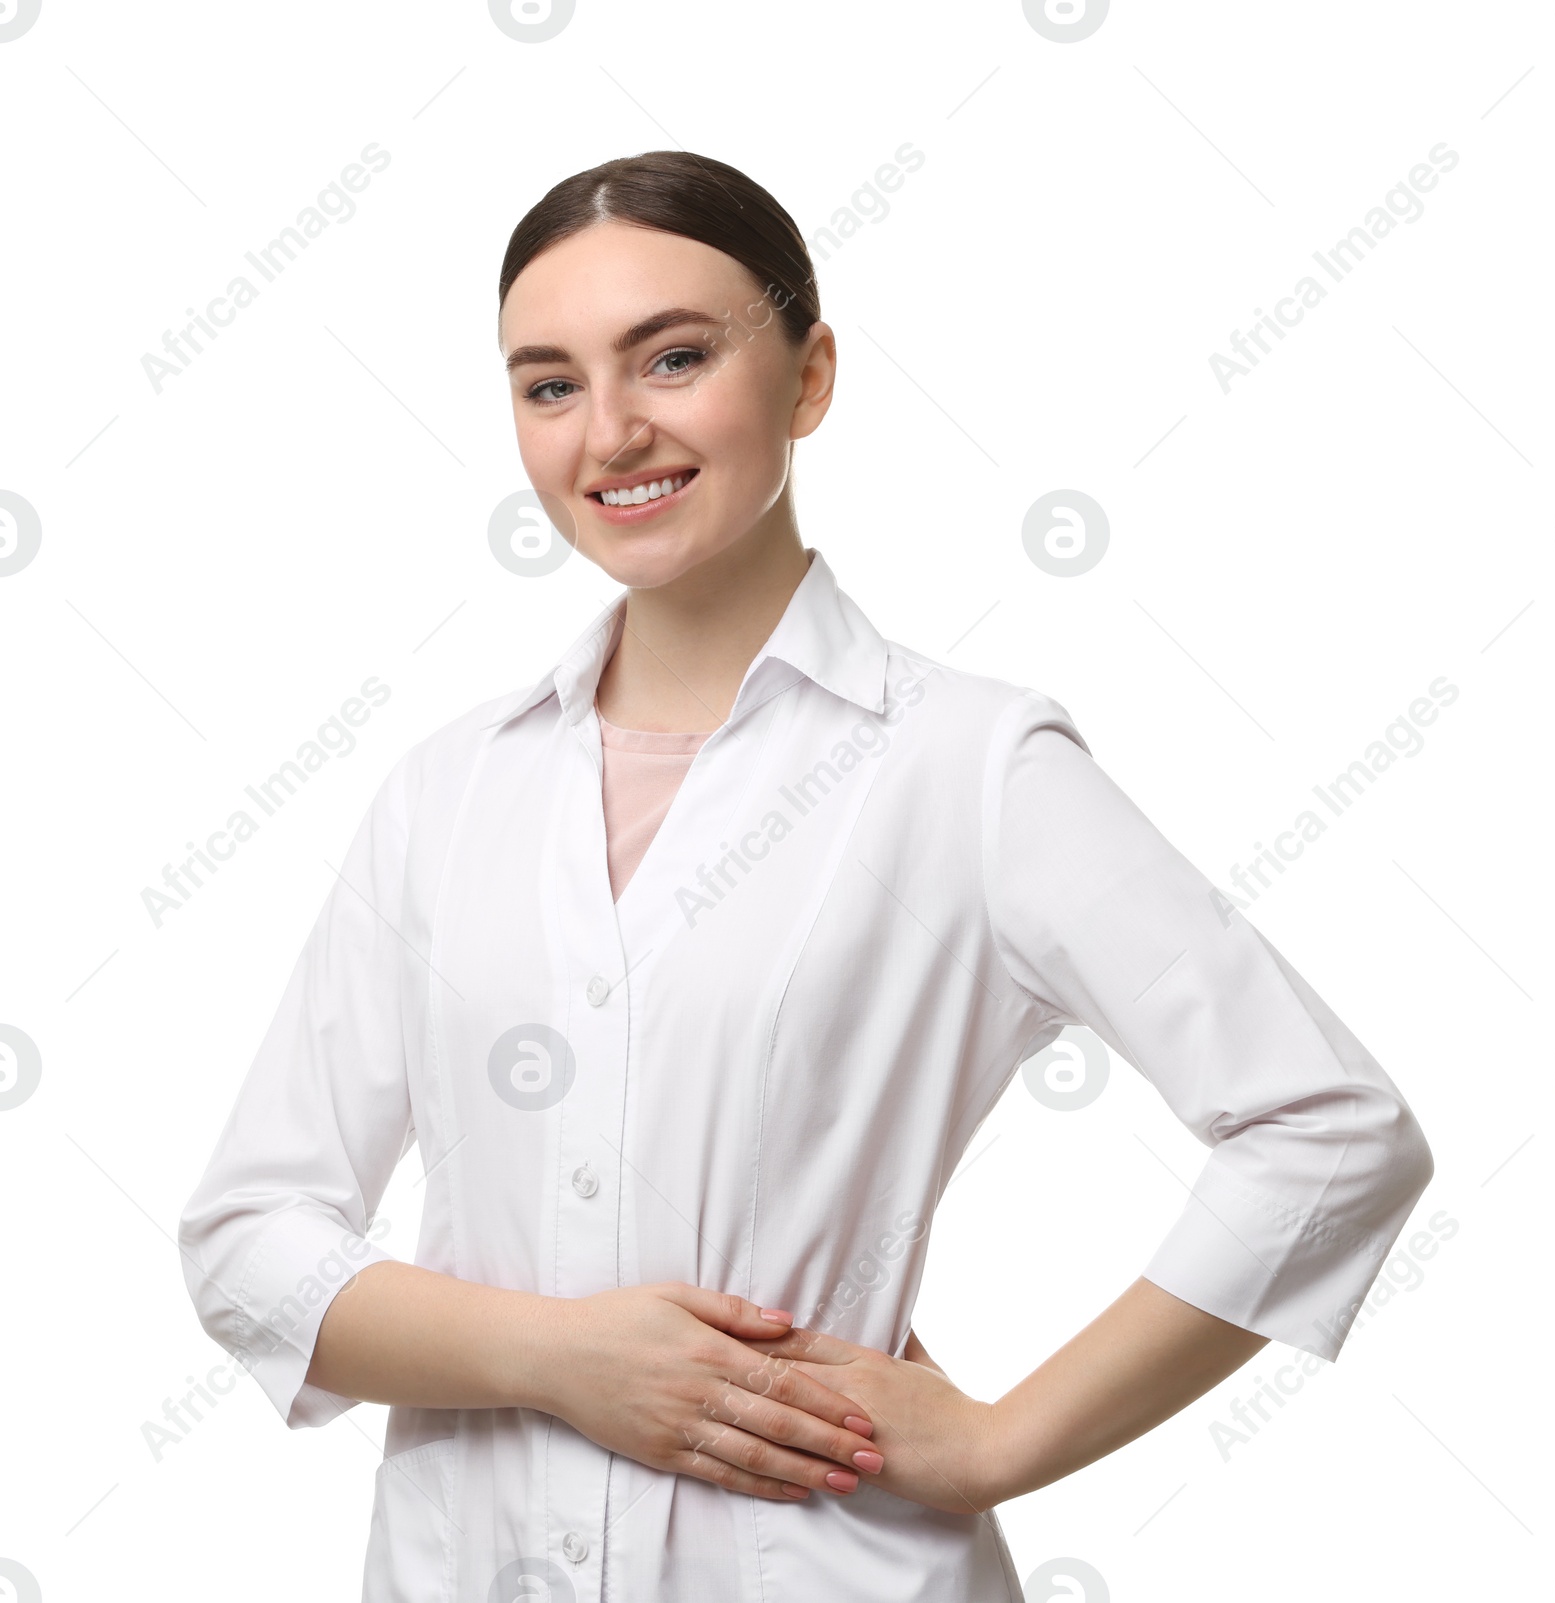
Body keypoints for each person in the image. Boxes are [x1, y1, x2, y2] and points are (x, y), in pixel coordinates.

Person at [178, 150, 1435, 1602]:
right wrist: (561, 1360)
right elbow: (250, 1241)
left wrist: (996, 1444)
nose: (613, 430)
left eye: (676, 357)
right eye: (550, 384)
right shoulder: (445, 793)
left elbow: (1331, 1133)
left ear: (810, 374)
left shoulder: (969, 768)